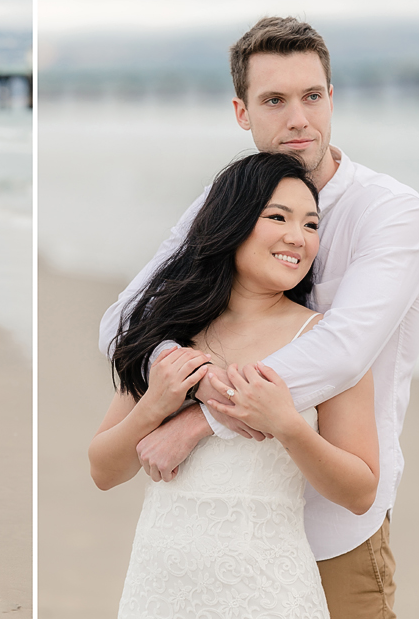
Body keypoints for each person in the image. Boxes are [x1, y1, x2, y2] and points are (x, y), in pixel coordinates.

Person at [99, 17, 419, 618]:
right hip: (206, 528)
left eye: (312, 96)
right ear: (241, 112)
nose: (298, 118)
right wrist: (176, 372)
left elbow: (342, 352)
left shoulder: (390, 211)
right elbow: (122, 321)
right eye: (274, 99)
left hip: (334, 527)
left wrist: (198, 420)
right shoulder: (219, 204)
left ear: (333, 98)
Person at [91, 152, 378, 618]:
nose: (298, 237)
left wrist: (288, 425)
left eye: (311, 224)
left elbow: (361, 491)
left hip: (266, 590)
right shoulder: (173, 331)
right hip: (160, 583)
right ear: (233, 221)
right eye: (278, 217)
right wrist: (154, 407)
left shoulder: (326, 344)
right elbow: (103, 470)